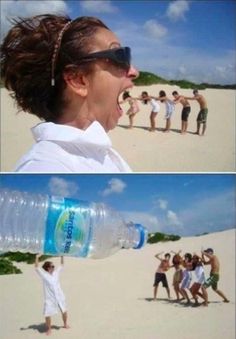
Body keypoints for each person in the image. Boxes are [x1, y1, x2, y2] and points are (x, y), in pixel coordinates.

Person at [0, 14, 139, 172]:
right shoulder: (44, 166)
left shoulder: (94, 151)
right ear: (78, 80)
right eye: (120, 56)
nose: (134, 71)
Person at [35, 254, 69, 335]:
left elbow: (62, 265)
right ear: (48, 268)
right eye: (52, 266)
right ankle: (49, 329)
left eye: (53, 266)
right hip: (50, 298)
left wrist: (62, 256)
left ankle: (65, 324)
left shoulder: (56, 273)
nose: (54, 267)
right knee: (47, 314)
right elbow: (36, 268)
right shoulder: (44, 275)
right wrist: (37, 257)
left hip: (60, 295)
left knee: (64, 310)